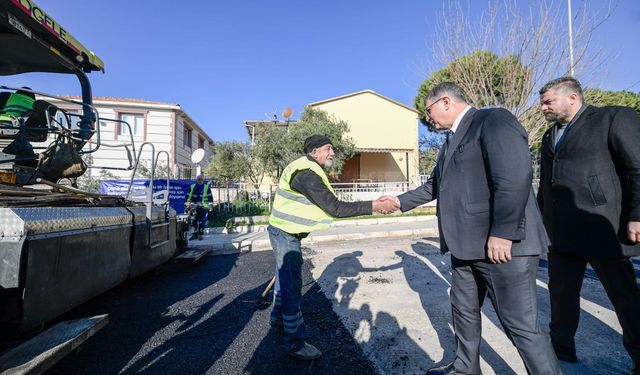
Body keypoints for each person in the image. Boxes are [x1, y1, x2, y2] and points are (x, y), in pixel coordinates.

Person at [384, 82, 560, 375]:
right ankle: (466, 369)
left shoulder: (492, 120)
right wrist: (397, 201)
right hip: (465, 247)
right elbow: (434, 186)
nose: (428, 119)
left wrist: (503, 233)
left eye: (428, 111)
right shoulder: (450, 141)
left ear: (444, 102)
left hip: (503, 246)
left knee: (520, 326)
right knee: (463, 312)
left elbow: (514, 177)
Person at [537, 76, 640, 374]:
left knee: (625, 299)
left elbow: (637, 166)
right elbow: (545, 184)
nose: (543, 108)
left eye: (548, 102)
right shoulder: (548, 136)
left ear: (572, 98)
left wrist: (637, 214)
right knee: (560, 296)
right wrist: (539, 223)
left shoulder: (612, 117)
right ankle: (561, 354)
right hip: (562, 235)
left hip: (604, 230)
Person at [267, 134, 396, 360]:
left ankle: (278, 317)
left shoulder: (305, 168)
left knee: (283, 278)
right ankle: (295, 343)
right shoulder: (306, 174)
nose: (333, 153)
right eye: (328, 148)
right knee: (291, 286)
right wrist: (375, 205)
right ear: (314, 151)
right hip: (284, 234)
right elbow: (335, 208)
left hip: (283, 230)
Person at [186, 175, 213, 240]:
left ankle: (200, 234)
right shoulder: (192, 186)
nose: (200, 181)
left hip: (203, 206)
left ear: (203, 180)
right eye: (199, 179)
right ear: (196, 180)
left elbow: (210, 197)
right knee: (194, 221)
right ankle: (194, 235)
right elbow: (188, 197)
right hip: (193, 206)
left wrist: (210, 206)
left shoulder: (206, 187)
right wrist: (187, 205)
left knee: (201, 221)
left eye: (201, 179)